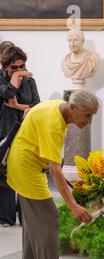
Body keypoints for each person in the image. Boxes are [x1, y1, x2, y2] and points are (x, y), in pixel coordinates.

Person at [6, 89, 98, 259]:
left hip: (24, 162)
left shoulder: (56, 107)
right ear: (72, 108)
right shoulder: (54, 124)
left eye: (92, 116)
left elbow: (30, 113)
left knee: (34, 223)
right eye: (87, 114)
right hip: (26, 167)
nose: (89, 121)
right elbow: (55, 170)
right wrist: (73, 206)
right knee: (49, 217)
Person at [0, 46, 40, 227]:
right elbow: (7, 94)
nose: (19, 71)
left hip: (24, 130)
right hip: (4, 130)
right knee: (4, 173)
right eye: (14, 68)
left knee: (24, 170)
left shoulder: (30, 81)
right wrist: (15, 79)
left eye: (22, 66)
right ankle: (6, 218)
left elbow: (36, 106)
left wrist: (17, 106)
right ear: (5, 67)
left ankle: (27, 217)